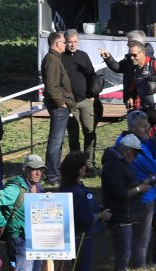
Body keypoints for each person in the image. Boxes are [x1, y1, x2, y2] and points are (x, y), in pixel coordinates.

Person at [0, 154, 47, 271]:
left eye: (41, 169)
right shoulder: (15, 188)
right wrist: (1, 223)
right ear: (25, 169)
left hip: (36, 237)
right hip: (20, 238)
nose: (38, 173)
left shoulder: (38, 187)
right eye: (34, 169)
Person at [123, 112, 156, 267]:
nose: (148, 129)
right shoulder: (133, 147)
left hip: (143, 195)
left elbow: (148, 157)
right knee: (141, 241)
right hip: (142, 198)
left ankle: (136, 268)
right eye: (143, 126)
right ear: (133, 128)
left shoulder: (130, 141)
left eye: (148, 126)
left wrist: (152, 143)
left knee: (138, 240)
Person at [101, 37, 156, 130]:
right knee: (142, 134)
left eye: (134, 55)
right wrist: (131, 98)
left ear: (143, 52)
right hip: (144, 109)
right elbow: (134, 86)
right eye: (130, 55)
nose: (132, 58)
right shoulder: (135, 68)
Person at [58, 152, 106, 271]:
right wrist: (100, 215)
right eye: (83, 165)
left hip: (76, 235)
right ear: (77, 169)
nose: (85, 168)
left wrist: (97, 209)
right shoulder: (75, 191)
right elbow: (84, 218)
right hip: (81, 237)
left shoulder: (71, 186)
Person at [100, 134, 143, 271]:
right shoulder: (114, 166)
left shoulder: (120, 164)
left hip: (125, 215)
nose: (136, 157)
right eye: (135, 153)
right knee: (123, 254)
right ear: (126, 150)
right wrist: (139, 189)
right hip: (120, 215)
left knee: (125, 253)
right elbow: (119, 193)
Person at [62, 30, 101, 176]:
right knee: (73, 134)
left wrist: (93, 95)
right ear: (65, 42)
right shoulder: (60, 57)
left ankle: (89, 164)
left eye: (75, 42)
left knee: (89, 132)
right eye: (69, 42)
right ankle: (76, 165)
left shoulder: (83, 56)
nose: (72, 45)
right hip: (69, 103)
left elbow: (92, 75)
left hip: (86, 100)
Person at [41, 31, 75, 187]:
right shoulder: (52, 61)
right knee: (55, 141)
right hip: (58, 107)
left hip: (60, 106)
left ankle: (55, 172)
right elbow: (52, 86)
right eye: (63, 42)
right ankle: (52, 175)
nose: (66, 44)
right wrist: (61, 103)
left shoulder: (54, 59)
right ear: (56, 44)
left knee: (58, 141)